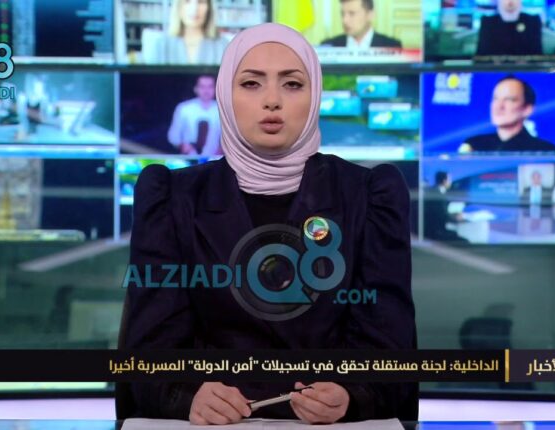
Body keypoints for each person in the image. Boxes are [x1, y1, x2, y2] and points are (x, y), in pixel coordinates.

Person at [120, 23, 418, 424]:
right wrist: (186, 394)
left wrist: (352, 395)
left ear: (315, 95)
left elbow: (390, 350)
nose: (272, 101)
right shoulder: (172, 198)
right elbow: (148, 353)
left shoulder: (369, 195)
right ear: (226, 95)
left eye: (292, 84)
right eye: (251, 84)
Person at [459, 76, 555, 153]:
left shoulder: (545, 151)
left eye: (509, 100)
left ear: (527, 109)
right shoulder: (474, 145)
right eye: (495, 99)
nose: (499, 106)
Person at [144, 0, 228, 65]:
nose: (194, 9)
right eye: (187, 1)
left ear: (209, 8)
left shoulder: (223, 46)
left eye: (201, 2)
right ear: (178, 7)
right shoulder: (161, 45)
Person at [167, 75, 222, 156]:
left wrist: (222, 149)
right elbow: (173, 135)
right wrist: (182, 146)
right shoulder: (184, 108)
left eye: (210, 87)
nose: (206, 90)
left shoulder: (222, 109)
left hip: (215, 158)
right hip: (189, 158)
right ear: (196, 88)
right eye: (202, 87)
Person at [320, 0, 401, 49]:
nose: (345, 20)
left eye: (352, 13)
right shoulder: (328, 46)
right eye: (342, 14)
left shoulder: (391, 47)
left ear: (370, 14)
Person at [475, 0, 543, 56]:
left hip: (527, 68)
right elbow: (482, 56)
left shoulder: (533, 22)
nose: (510, 1)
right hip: (493, 68)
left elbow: (537, 55)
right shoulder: (487, 23)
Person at [423, 171, 466, 242]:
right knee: (464, 241)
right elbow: (441, 215)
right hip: (436, 232)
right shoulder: (437, 194)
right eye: (449, 180)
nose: (450, 182)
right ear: (444, 181)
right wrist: (455, 218)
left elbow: (441, 211)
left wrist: (454, 215)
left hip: (436, 229)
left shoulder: (436, 191)